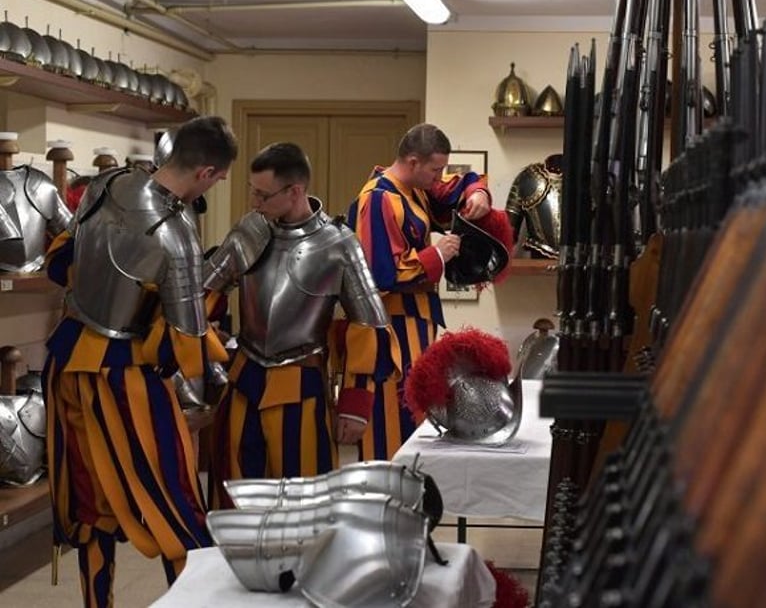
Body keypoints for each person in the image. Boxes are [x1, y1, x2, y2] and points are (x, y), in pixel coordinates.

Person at [41, 115, 238, 608]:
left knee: (89, 503)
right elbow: (185, 348)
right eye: (217, 179)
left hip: (65, 359)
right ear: (205, 173)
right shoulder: (177, 235)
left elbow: (58, 263)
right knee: (174, 497)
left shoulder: (105, 184)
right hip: (123, 373)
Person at [204, 142, 398, 508]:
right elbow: (203, 297)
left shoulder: (340, 245)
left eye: (263, 194)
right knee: (234, 497)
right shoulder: (249, 229)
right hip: (243, 380)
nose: (254, 202)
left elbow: (369, 326)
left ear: (295, 191)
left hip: (302, 383)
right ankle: (235, 567)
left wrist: (356, 404)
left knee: (304, 503)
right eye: (252, 191)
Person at [345, 122, 492, 460]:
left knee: (416, 413)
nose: (439, 177)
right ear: (413, 162)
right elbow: (381, 273)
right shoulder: (380, 198)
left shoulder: (416, 189)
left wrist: (478, 193)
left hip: (415, 322)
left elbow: (460, 188)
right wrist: (438, 254)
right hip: (390, 330)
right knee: (394, 418)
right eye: (435, 169)